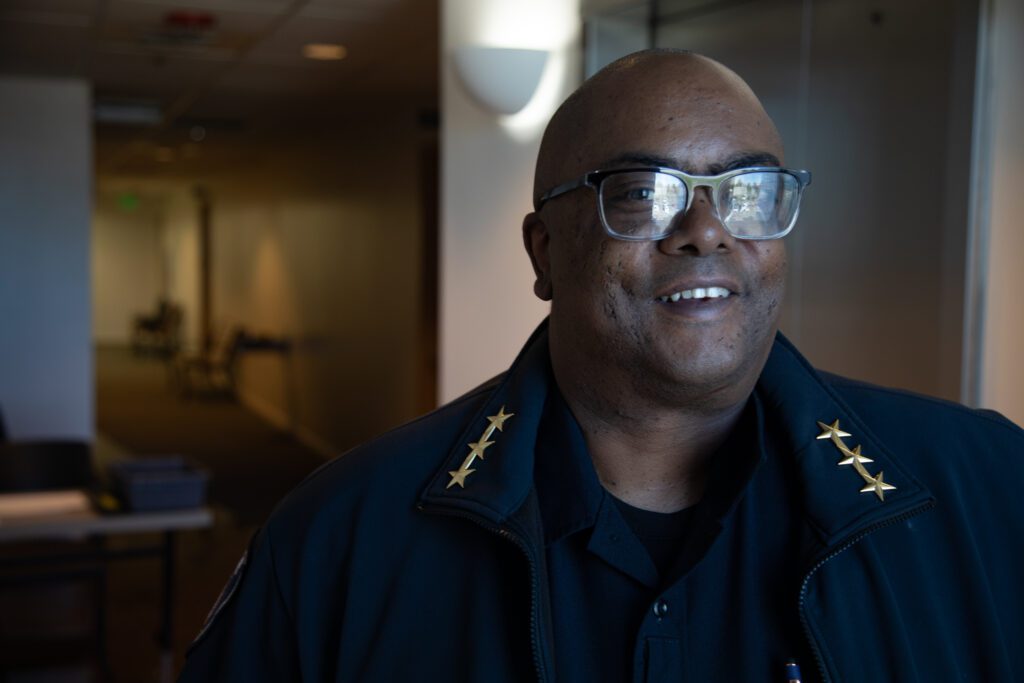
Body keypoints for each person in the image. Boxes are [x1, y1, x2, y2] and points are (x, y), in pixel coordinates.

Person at [178, 50, 1024, 682]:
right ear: (544, 251)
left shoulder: (990, 489)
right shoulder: (338, 538)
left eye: (749, 189)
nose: (705, 228)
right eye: (642, 190)